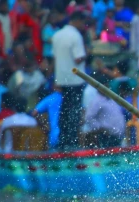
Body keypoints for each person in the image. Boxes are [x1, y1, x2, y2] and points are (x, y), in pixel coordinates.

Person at [51, 11, 87, 150]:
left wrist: (55, 79)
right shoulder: (76, 36)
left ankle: (62, 141)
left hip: (62, 79)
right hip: (75, 80)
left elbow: (55, 59)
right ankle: (71, 143)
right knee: (74, 112)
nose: (83, 26)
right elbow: (78, 58)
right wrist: (87, 53)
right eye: (83, 23)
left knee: (65, 111)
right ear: (77, 21)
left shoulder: (57, 35)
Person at [84, 81, 128, 148]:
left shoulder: (111, 99)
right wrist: (100, 128)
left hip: (117, 135)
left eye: (108, 87)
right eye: (105, 87)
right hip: (106, 135)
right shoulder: (96, 101)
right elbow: (88, 117)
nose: (108, 88)